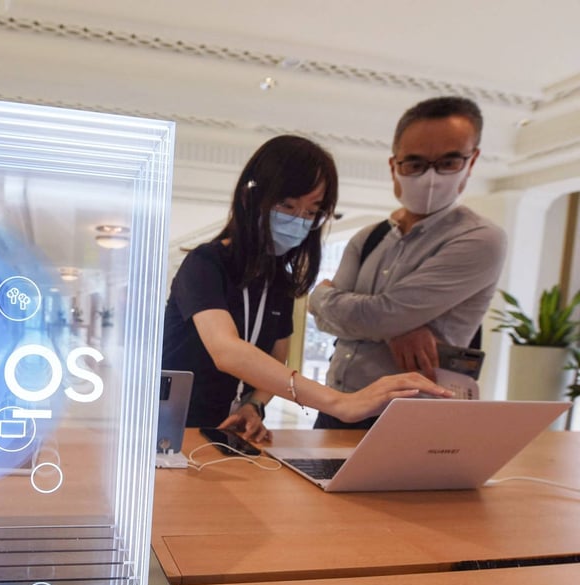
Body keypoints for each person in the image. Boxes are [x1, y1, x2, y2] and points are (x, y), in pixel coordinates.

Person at [162, 135, 446, 443]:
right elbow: (226, 350)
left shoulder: (280, 282)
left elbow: (276, 356)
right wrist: (339, 402)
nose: (298, 220)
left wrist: (254, 404)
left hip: (229, 433)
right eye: (287, 205)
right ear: (250, 198)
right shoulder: (206, 264)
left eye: (311, 212)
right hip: (174, 426)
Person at [308, 96, 507, 429]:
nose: (430, 177)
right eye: (414, 163)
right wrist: (392, 328)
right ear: (394, 166)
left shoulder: (480, 239)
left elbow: (380, 315)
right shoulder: (368, 237)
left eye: (448, 162)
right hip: (340, 405)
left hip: (414, 419)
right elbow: (341, 320)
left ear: (471, 162)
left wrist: (320, 297)